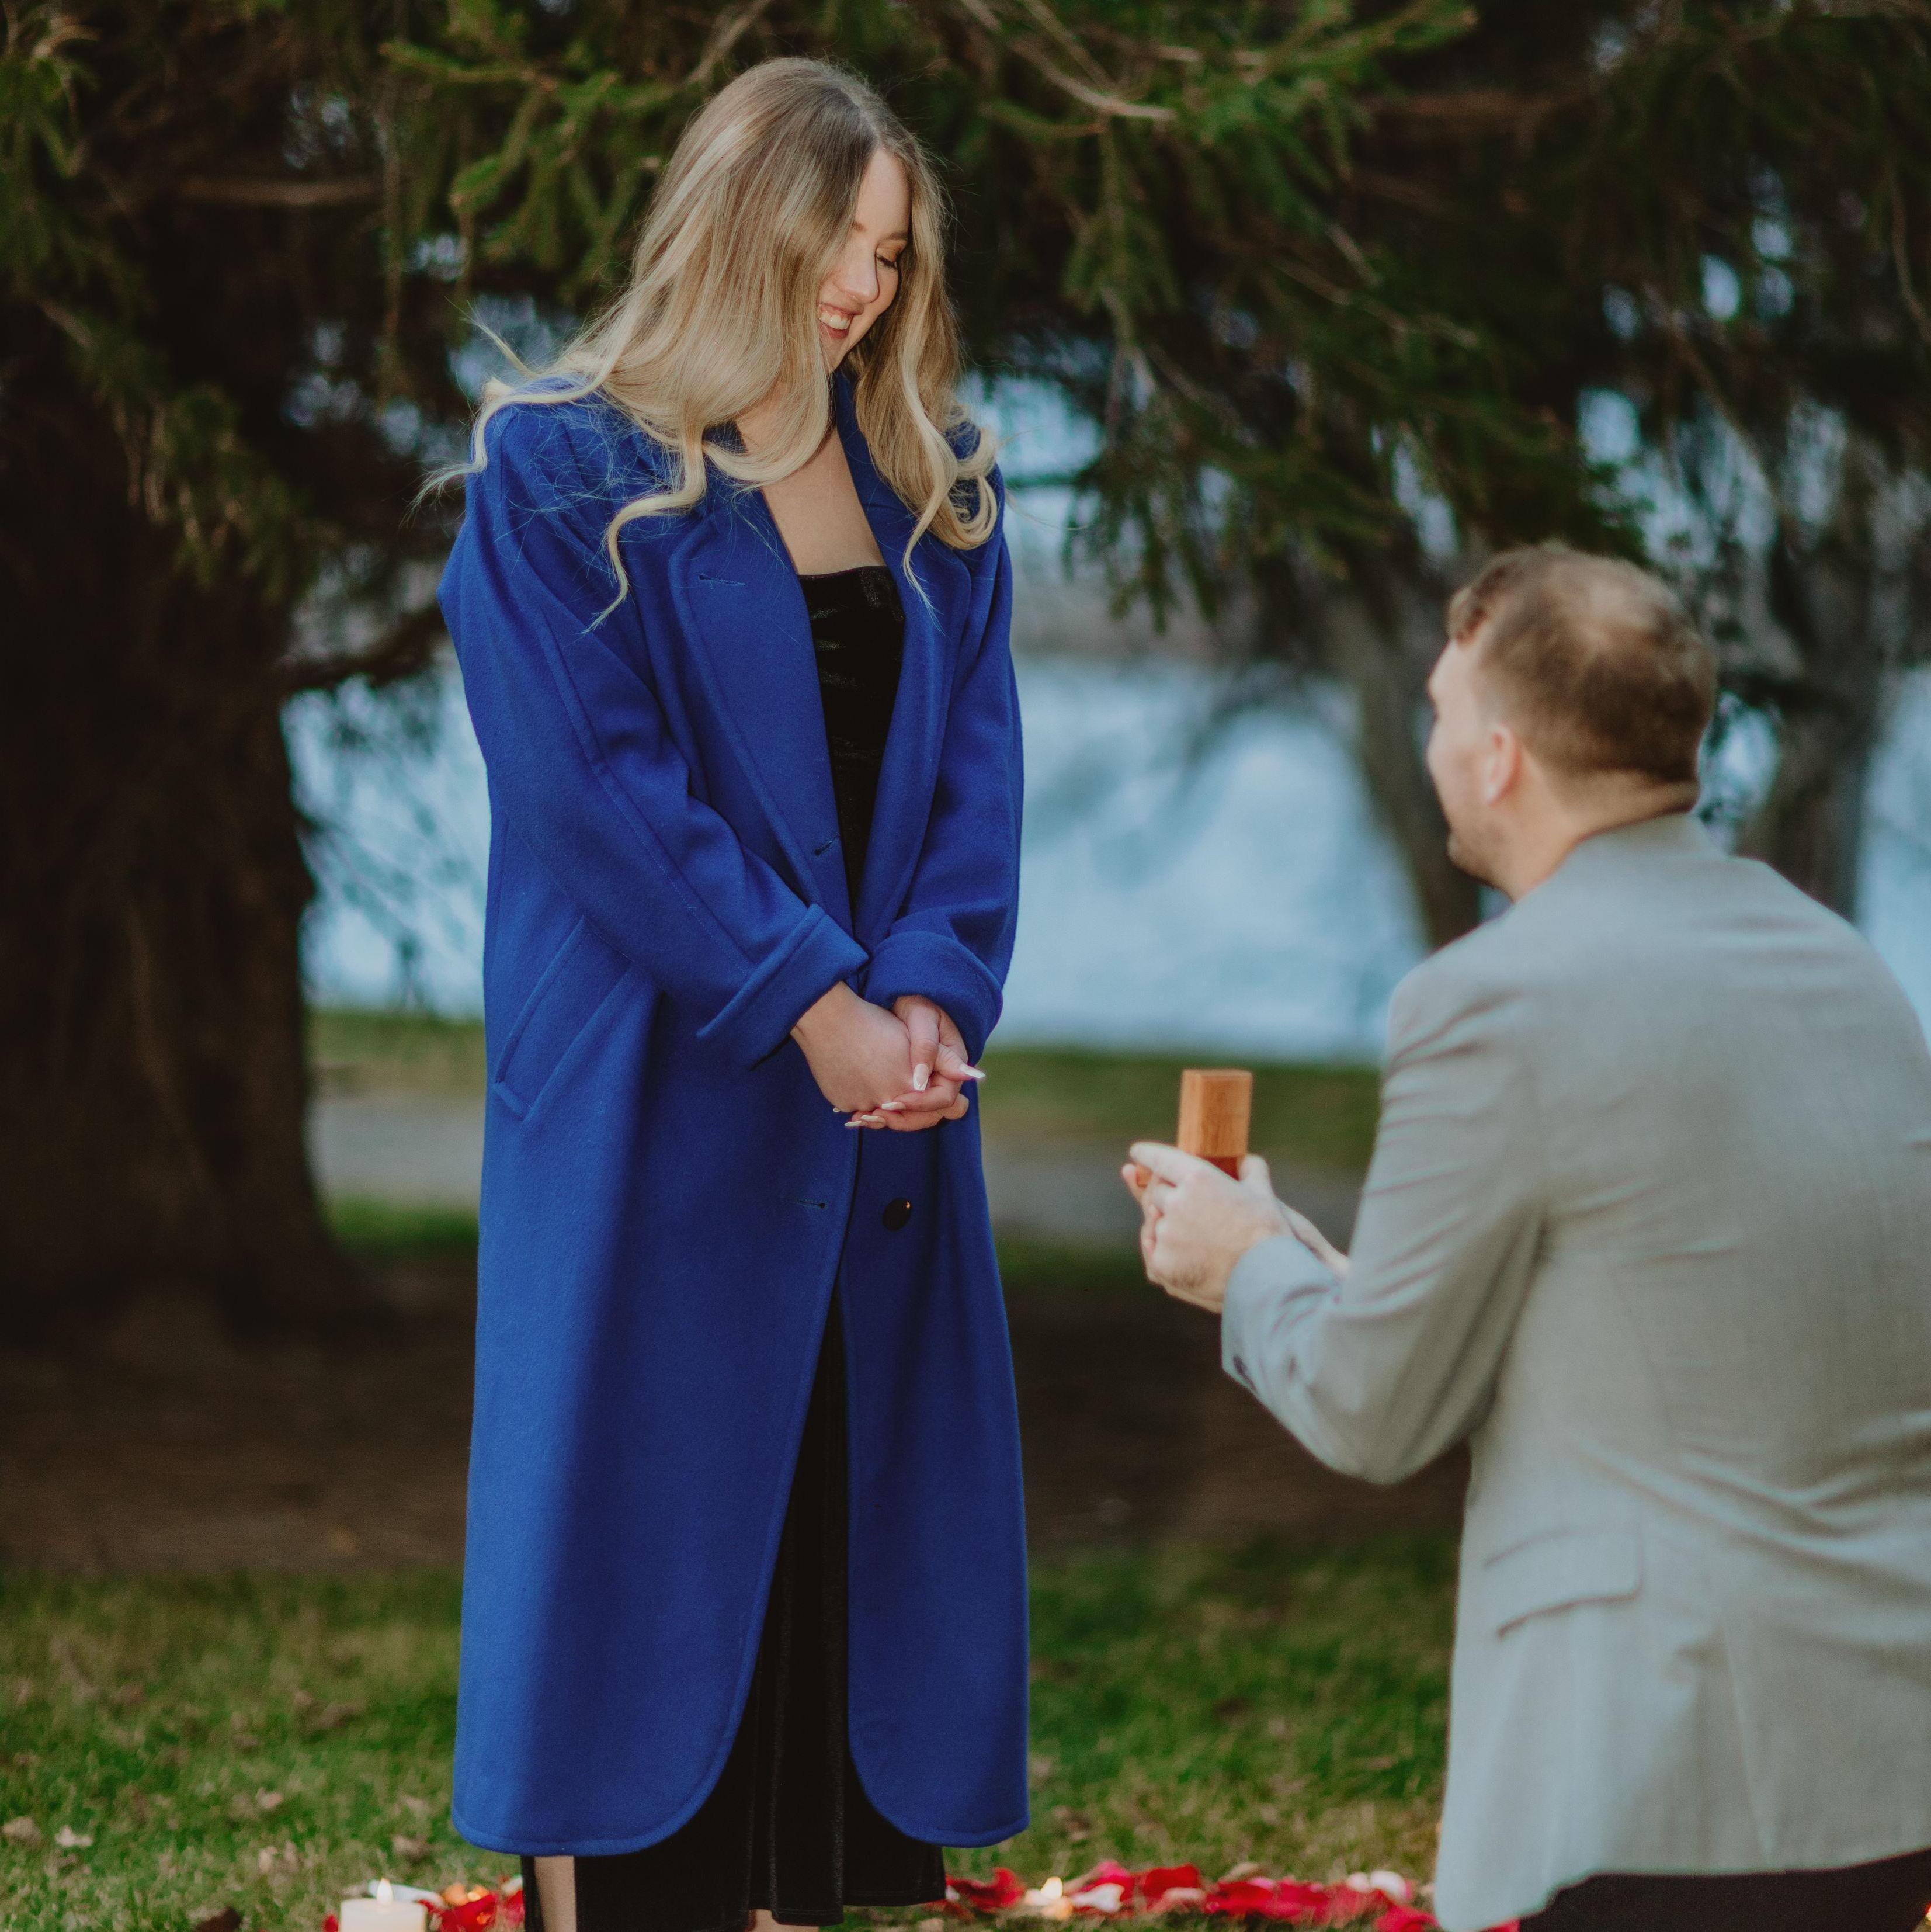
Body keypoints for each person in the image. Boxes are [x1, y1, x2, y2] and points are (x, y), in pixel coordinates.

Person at [1124, 547, 1931, 1932]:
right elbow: (1665, 1327)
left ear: (1500, 758)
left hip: (1662, 1779)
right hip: (1886, 1761)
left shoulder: (1491, 1001)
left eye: (1441, 712)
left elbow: (1375, 1411)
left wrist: (1240, 1268)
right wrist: (1303, 1255)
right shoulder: (1843, 964)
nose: (1432, 744)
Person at [435, 58, 1029, 1932]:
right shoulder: (559, 468)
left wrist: (928, 994)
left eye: (890, 253)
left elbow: (976, 786)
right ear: (735, 218)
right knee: (626, 1569)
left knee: (831, 1550)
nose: (860, 287)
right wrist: (807, 1002)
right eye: (833, 239)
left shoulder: (938, 490)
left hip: (875, 1124)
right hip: (650, 1100)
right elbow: (597, 794)